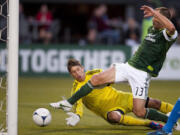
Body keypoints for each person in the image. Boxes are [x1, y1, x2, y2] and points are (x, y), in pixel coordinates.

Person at [50, 5, 178, 123]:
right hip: (128, 66)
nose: (153, 19)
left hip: (141, 74)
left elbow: (171, 28)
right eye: (153, 17)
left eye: (156, 17)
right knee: (96, 79)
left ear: (163, 20)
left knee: (139, 111)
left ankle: (169, 120)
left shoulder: (168, 35)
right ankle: (68, 102)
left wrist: (155, 12)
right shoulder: (152, 29)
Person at [50, 59, 175, 128]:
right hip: (109, 111)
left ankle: (176, 112)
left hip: (122, 98)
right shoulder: (76, 90)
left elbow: (113, 78)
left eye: (78, 69)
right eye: (73, 72)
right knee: (115, 117)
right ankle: (151, 124)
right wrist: (77, 116)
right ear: (71, 75)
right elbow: (78, 106)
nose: (77, 73)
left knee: (155, 102)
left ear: (82, 68)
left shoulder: (95, 73)